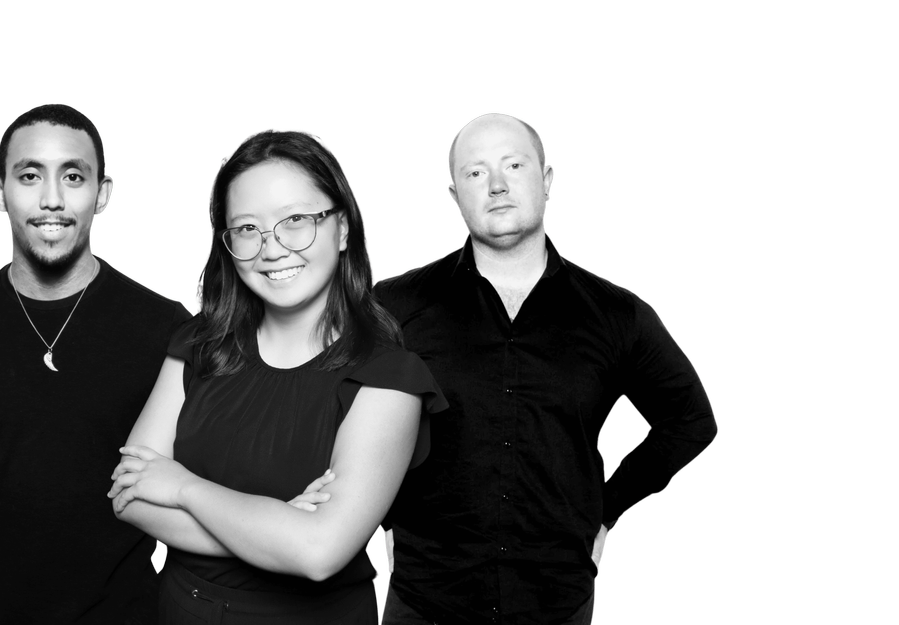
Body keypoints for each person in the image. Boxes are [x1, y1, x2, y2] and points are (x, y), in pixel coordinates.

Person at [375, 114, 719, 625]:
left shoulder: (618, 315)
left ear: (547, 179)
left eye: (514, 165)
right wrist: (379, 514)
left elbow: (690, 420)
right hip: (427, 600)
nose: (496, 185)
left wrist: (605, 510)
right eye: (475, 173)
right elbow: (333, 413)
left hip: (557, 602)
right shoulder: (393, 307)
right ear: (454, 195)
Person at [108, 129, 448, 624]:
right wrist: (275, 526)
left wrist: (184, 488)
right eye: (247, 228)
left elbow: (316, 553)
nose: (272, 249)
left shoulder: (390, 379)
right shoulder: (199, 343)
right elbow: (128, 496)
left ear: (343, 228)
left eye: (295, 221)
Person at [0, 104, 191, 624]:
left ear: (102, 193)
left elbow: (190, 485)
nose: (51, 199)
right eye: (29, 175)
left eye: (73, 177)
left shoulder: (163, 326)